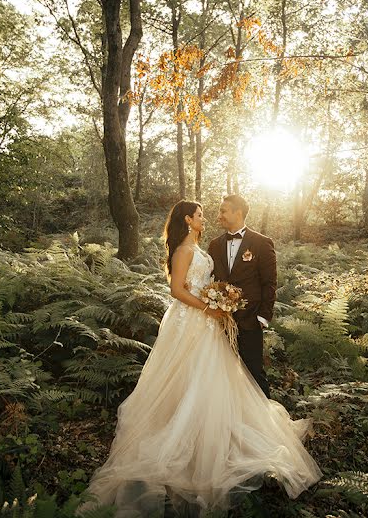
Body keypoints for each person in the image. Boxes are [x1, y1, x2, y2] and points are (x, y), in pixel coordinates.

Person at [78, 200, 321, 517]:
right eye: (201, 214)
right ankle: (184, 435)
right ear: (188, 220)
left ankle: (221, 429)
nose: (208, 217)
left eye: (214, 213)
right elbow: (177, 290)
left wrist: (223, 301)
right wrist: (210, 307)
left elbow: (241, 281)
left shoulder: (204, 245)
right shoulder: (183, 250)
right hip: (190, 321)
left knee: (215, 377)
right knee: (188, 376)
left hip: (210, 322)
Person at [207, 194, 275, 397]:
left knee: (254, 372)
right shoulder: (214, 245)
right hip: (220, 322)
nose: (219, 215)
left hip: (250, 319)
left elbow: (269, 283)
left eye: (223, 211)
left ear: (238, 213)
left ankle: (265, 422)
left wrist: (263, 317)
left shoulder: (262, 243)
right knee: (223, 373)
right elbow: (211, 279)